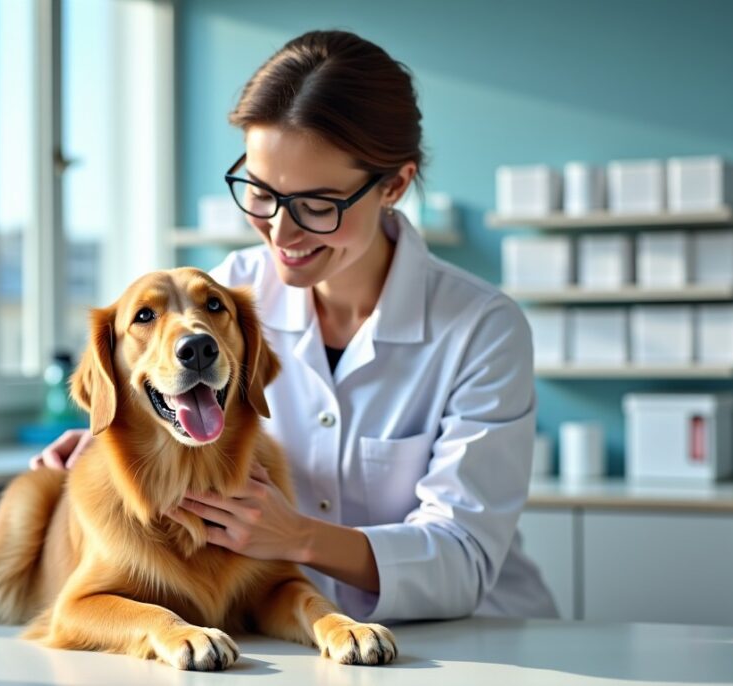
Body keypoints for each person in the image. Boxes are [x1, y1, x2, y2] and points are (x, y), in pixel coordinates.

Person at [31, 29, 558, 621]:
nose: (281, 232)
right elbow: (177, 404)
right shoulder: (223, 300)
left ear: (395, 186)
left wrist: (297, 537)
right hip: (294, 644)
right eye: (260, 192)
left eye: (317, 204)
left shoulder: (482, 329)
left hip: (479, 645)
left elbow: (464, 559)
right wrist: (119, 439)